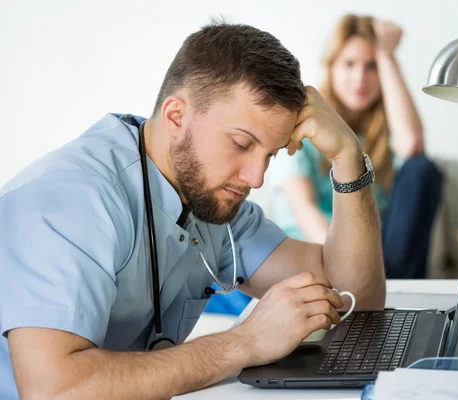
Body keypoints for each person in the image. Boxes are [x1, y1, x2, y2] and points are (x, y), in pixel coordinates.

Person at [0, 21, 385, 399]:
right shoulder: (71, 199)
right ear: (175, 116)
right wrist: (245, 342)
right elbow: (55, 390)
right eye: (240, 143)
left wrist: (348, 156)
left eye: (268, 154)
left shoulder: (210, 199)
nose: (256, 178)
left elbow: (354, 294)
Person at [271, 14, 442, 279]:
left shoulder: (383, 134)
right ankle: (387, 286)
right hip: (319, 252)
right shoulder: (302, 122)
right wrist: (347, 263)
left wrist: (387, 55)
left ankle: (391, 287)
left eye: (371, 66)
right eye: (349, 64)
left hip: (377, 258)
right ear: (332, 67)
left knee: (421, 169)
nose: (360, 78)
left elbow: (412, 145)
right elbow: (304, 209)